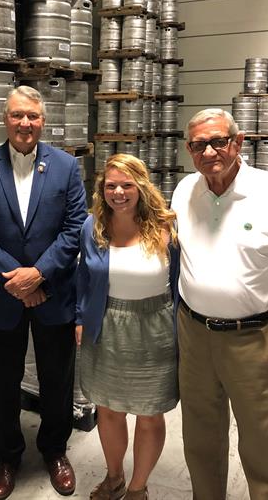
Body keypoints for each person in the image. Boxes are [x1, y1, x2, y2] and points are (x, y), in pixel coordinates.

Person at [0, 85, 87, 500]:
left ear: (43, 121)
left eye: (32, 115)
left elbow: (75, 229)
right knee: (2, 381)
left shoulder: (66, 167)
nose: (25, 123)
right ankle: (7, 456)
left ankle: (55, 450)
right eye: (17, 115)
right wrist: (18, 279)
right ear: (5, 119)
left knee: (57, 379)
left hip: (53, 292)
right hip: (1, 295)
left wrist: (39, 275)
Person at [171, 108, 268, 500]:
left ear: (238, 143)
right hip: (195, 334)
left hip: (257, 340)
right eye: (198, 145)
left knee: (264, 444)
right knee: (200, 439)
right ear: (189, 150)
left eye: (218, 141)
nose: (209, 152)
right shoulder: (185, 190)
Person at [76, 153, 179, 500]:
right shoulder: (92, 227)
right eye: (111, 186)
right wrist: (80, 318)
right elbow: (83, 278)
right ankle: (115, 477)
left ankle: (137, 488)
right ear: (101, 189)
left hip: (155, 328)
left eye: (126, 185)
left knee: (149, 414)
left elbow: (180, 279)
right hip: (105, 327)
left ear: (141, 187)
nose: (118, 193)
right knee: (109, 410)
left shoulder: (166, 226)